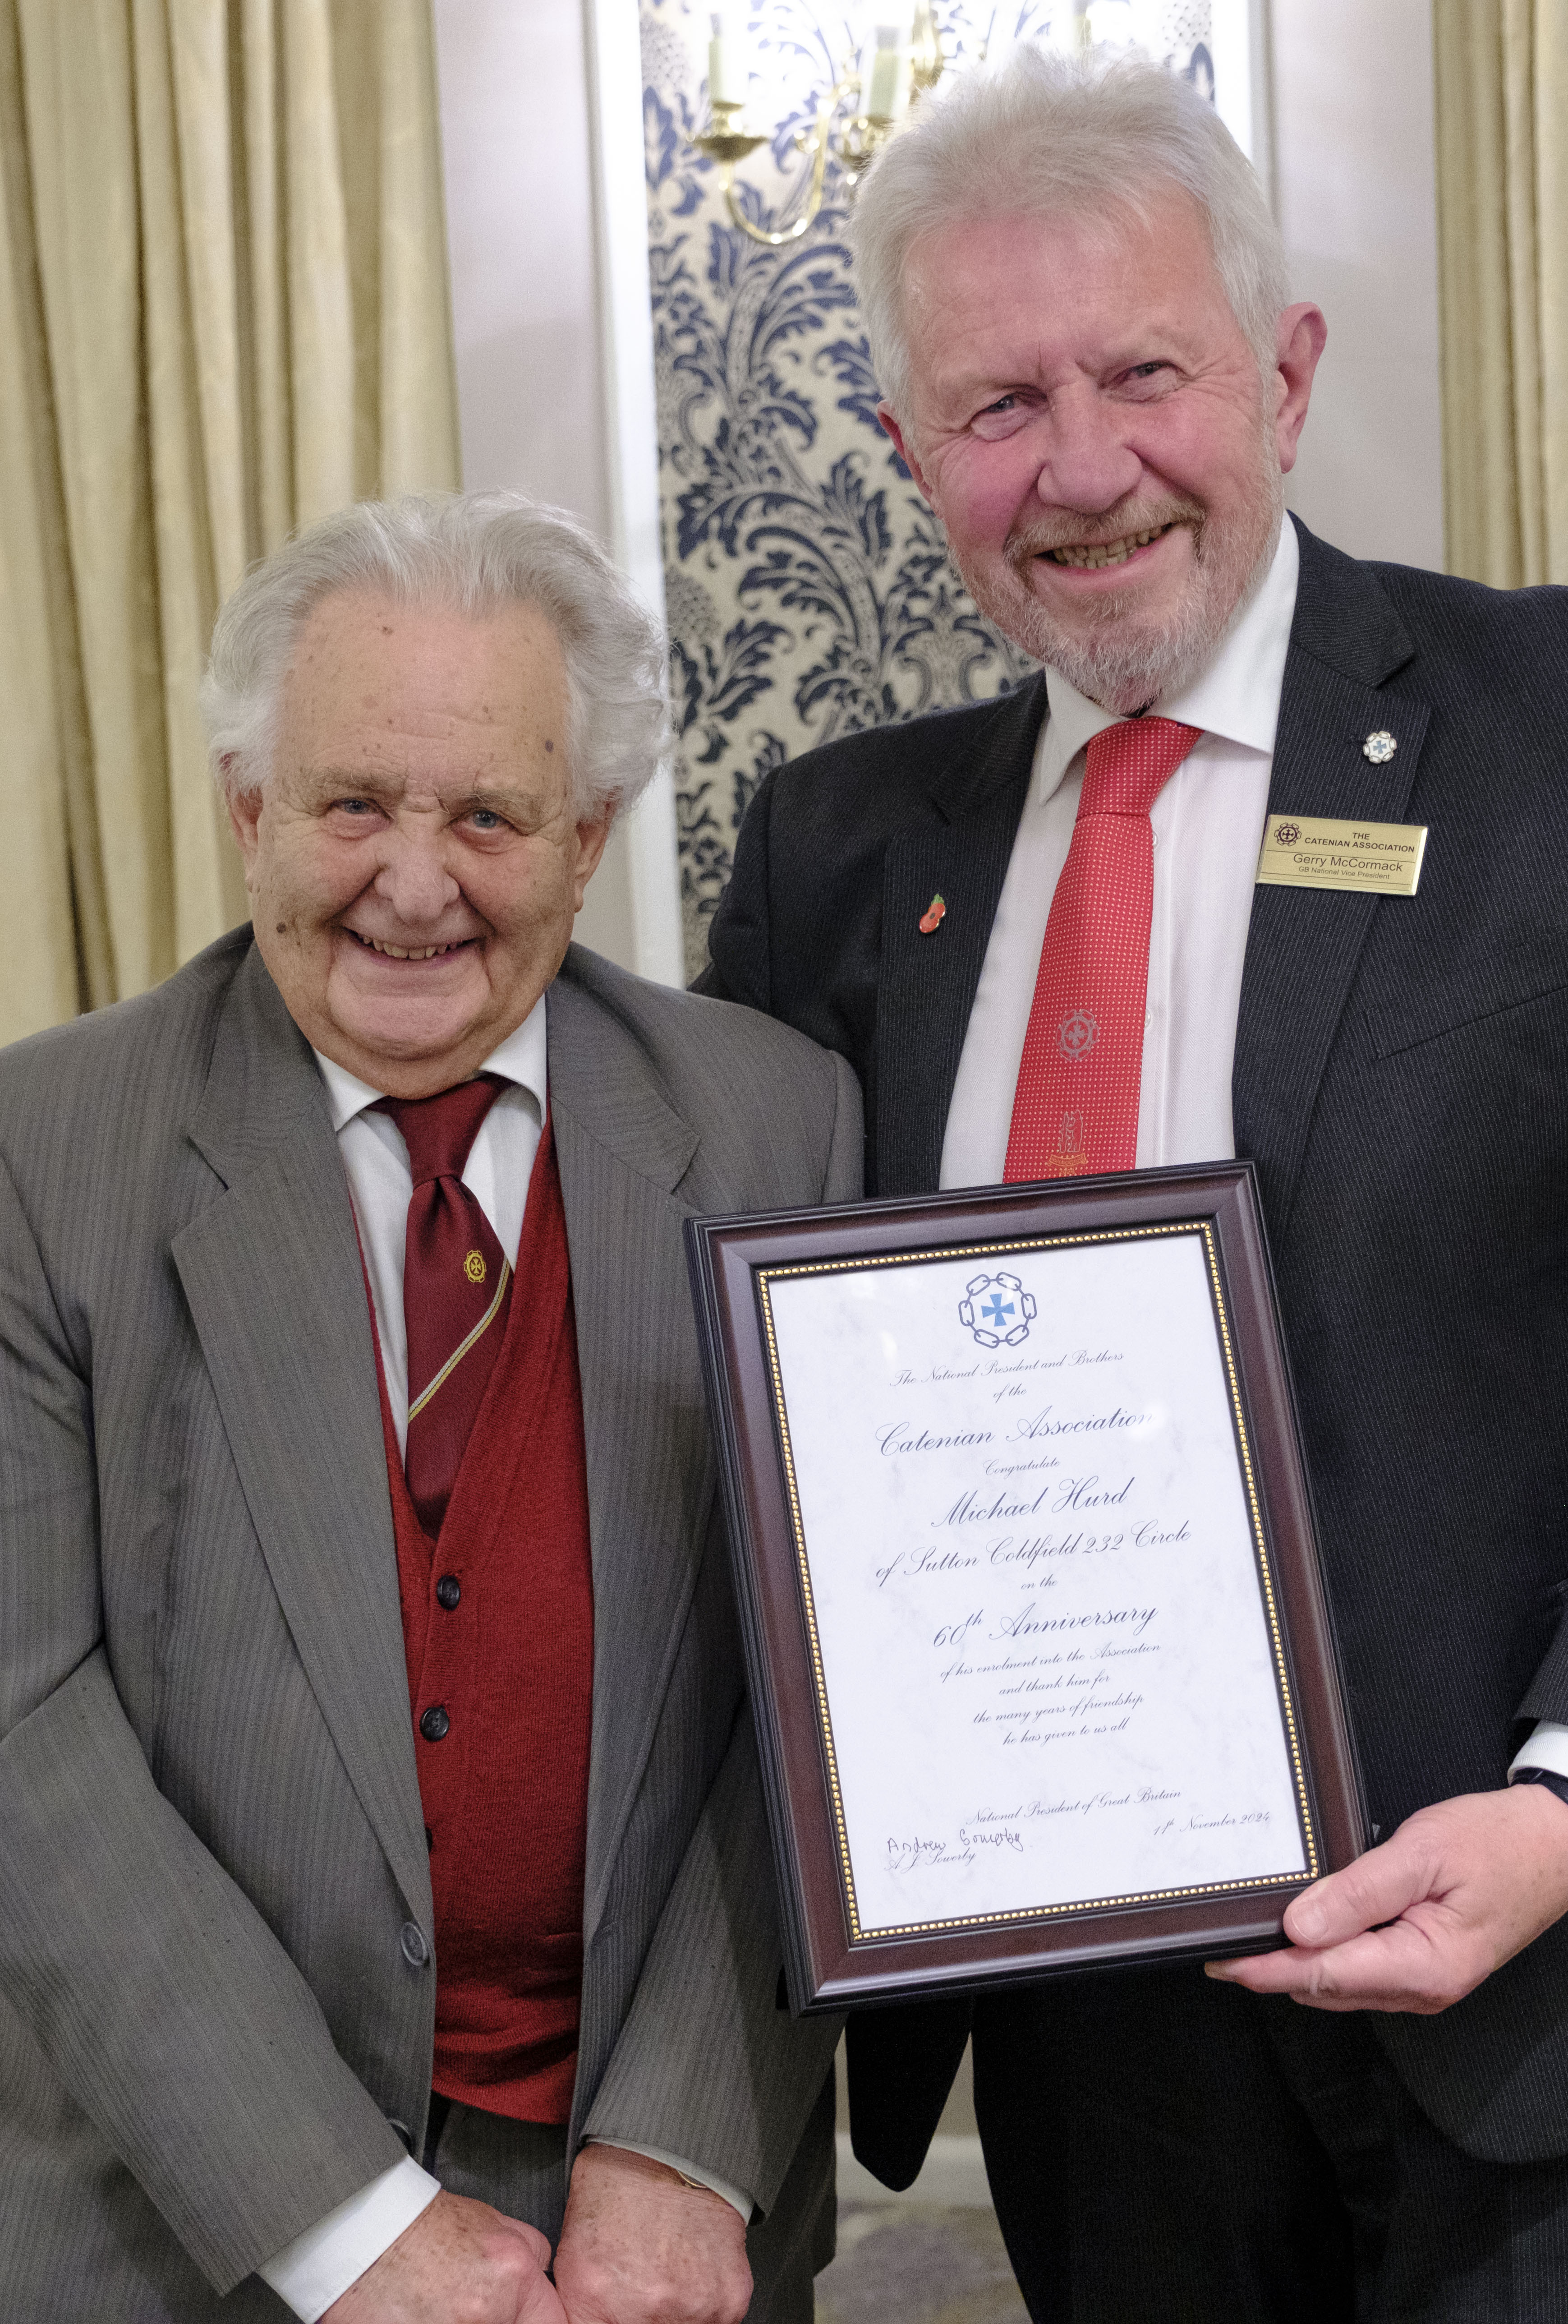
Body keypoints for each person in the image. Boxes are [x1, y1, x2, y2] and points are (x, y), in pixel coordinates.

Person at [700, 46, 1568, 2322]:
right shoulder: (832, 855)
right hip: (1091, 2038)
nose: (1082, 469)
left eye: (1145, 373)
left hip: (1528, 1988)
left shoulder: (1550, 733)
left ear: (1284, 373)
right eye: (997, 405)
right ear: (908, 452)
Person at [0, 493, 860, 2324]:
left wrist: (688, 2139)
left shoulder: (784, 1124)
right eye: (350, 806)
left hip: (651, 2235)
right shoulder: (38, 1154)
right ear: (248, 806)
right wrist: (340, 2223)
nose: (413, 884)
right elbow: (24, 1730)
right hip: (186, 2211)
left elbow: (826, 1690)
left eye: (487, 816)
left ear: (587, 838)